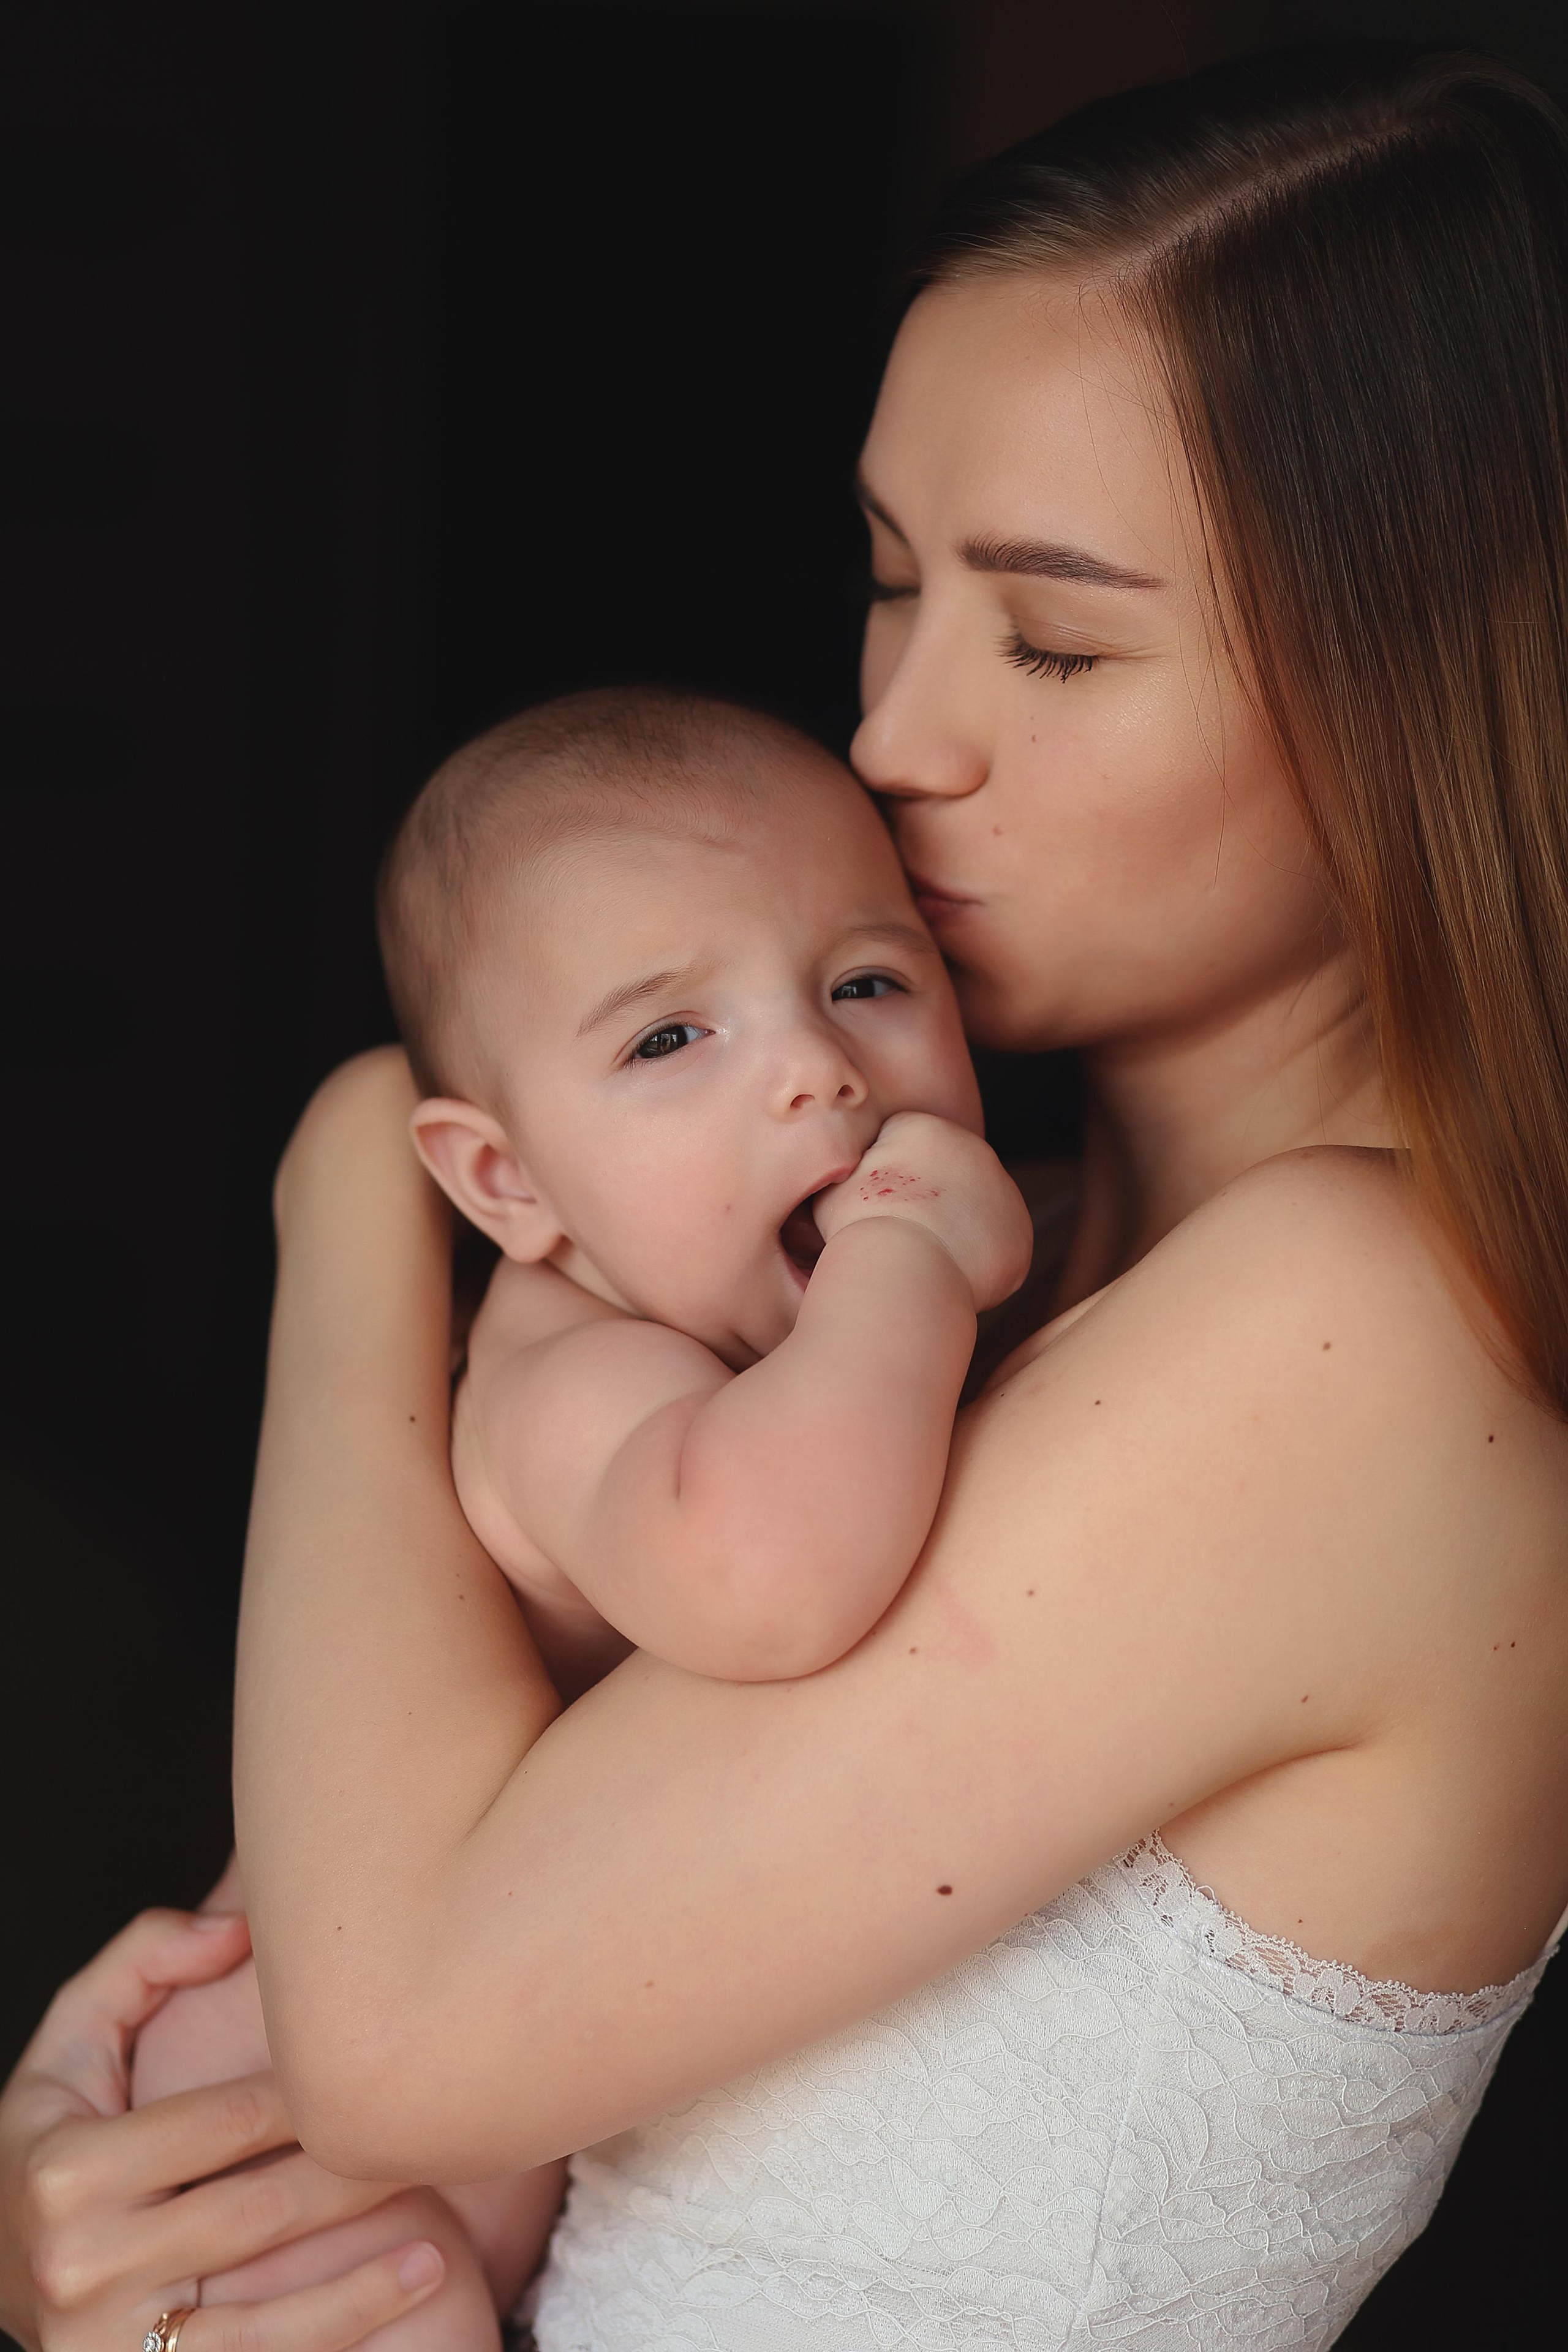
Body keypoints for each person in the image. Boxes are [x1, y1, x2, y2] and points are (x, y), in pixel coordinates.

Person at [8, 37, 1568, 2350]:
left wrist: (358, 1175)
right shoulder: (929, 1262)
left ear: (1413, 688)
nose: (896, 738)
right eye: (886, 578)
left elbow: (406, 2028)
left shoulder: (1364, 1334)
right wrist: (128, 2218)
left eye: (1051, 638)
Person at [126, 686, 1032, 2342]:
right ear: (505, 1186)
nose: (820, 1074)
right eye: (671, 1038)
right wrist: (908, 1257)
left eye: (868, 982)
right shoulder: (572, 1378)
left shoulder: (722, 1319)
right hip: (275, 2103)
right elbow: (769, 1575)